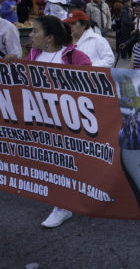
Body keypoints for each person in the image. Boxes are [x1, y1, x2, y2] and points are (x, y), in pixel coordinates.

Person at [26, 15, 91, 228]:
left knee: (66, 163)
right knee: (51, 162)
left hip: (69, 122)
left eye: (35, 31)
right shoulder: (33, 55)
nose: (30, 34)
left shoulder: (76, 57)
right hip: (41, 121)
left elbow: (92, 87)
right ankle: (63, 199)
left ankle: (62, 206)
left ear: (50, 37)